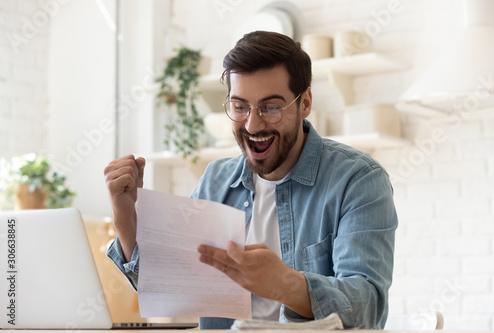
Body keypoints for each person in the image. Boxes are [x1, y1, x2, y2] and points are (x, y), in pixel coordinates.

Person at [104, 30, 398, 329]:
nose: (253, 124)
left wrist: (285, 284)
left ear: (305, 102)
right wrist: (125, 216)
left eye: (271, 107)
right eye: (240, 106)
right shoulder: (216, 180)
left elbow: (368, 308)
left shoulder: (358, 180)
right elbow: (168, 286)